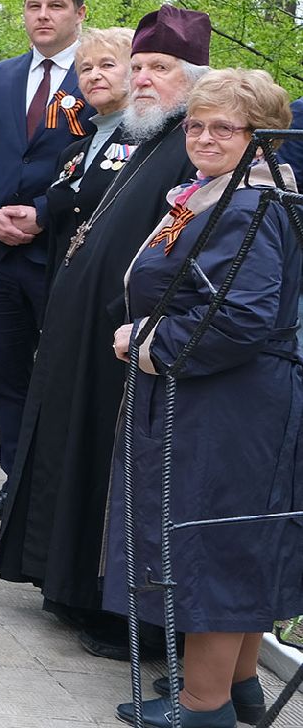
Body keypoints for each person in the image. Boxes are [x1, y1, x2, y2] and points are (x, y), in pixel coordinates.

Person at [0, 5, 209, 659]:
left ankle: (120, 610)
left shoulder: (191, 146)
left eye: (159, 67)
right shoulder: (143, 139)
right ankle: (70, 584)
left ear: (193, 79)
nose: (142, 78)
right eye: (137, 66)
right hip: (91, 333)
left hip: (134, 340)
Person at [107, 68, 300, 728]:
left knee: (213, 543)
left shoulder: (249, 205)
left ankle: (203, 706)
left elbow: (241, 317)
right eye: (196, 125)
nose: (205, 137)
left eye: (225, 128)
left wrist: (147, 339)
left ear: (262, 137)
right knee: (234, 539)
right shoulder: (216, 193)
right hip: (225, 398)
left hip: (228, 403)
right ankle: (238, 685)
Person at [0, 0, 88, 518]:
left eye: (56, 6)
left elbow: (105, 160)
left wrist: (42, 214)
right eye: (35, 6)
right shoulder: (1, 77)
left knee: (58, 374)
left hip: (61, 250)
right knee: (7, 374)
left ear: (79, 13)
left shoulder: (97, 76)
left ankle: (55, 494)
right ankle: (14, 487)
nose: (43, 16)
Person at [38, 27, 135, 286]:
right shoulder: (73, 153)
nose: (94, 75)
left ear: (135, 72)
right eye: (85, 69)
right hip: (66, 287)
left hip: (116, 289)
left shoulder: (150, 146)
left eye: (107, 65)